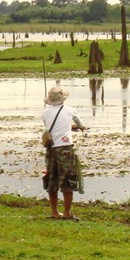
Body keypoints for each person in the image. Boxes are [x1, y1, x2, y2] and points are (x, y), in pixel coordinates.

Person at [41, 86, 86, 219]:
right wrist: (79, 127)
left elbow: (51, 127)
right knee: (68, 179)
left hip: (51, 149)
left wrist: (67, 126)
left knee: (52, 179)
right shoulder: (70, 110)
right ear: (63, 98)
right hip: (65, 149)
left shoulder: (45, 113)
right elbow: (80, 124)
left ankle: (54, 212)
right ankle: (67, 212)